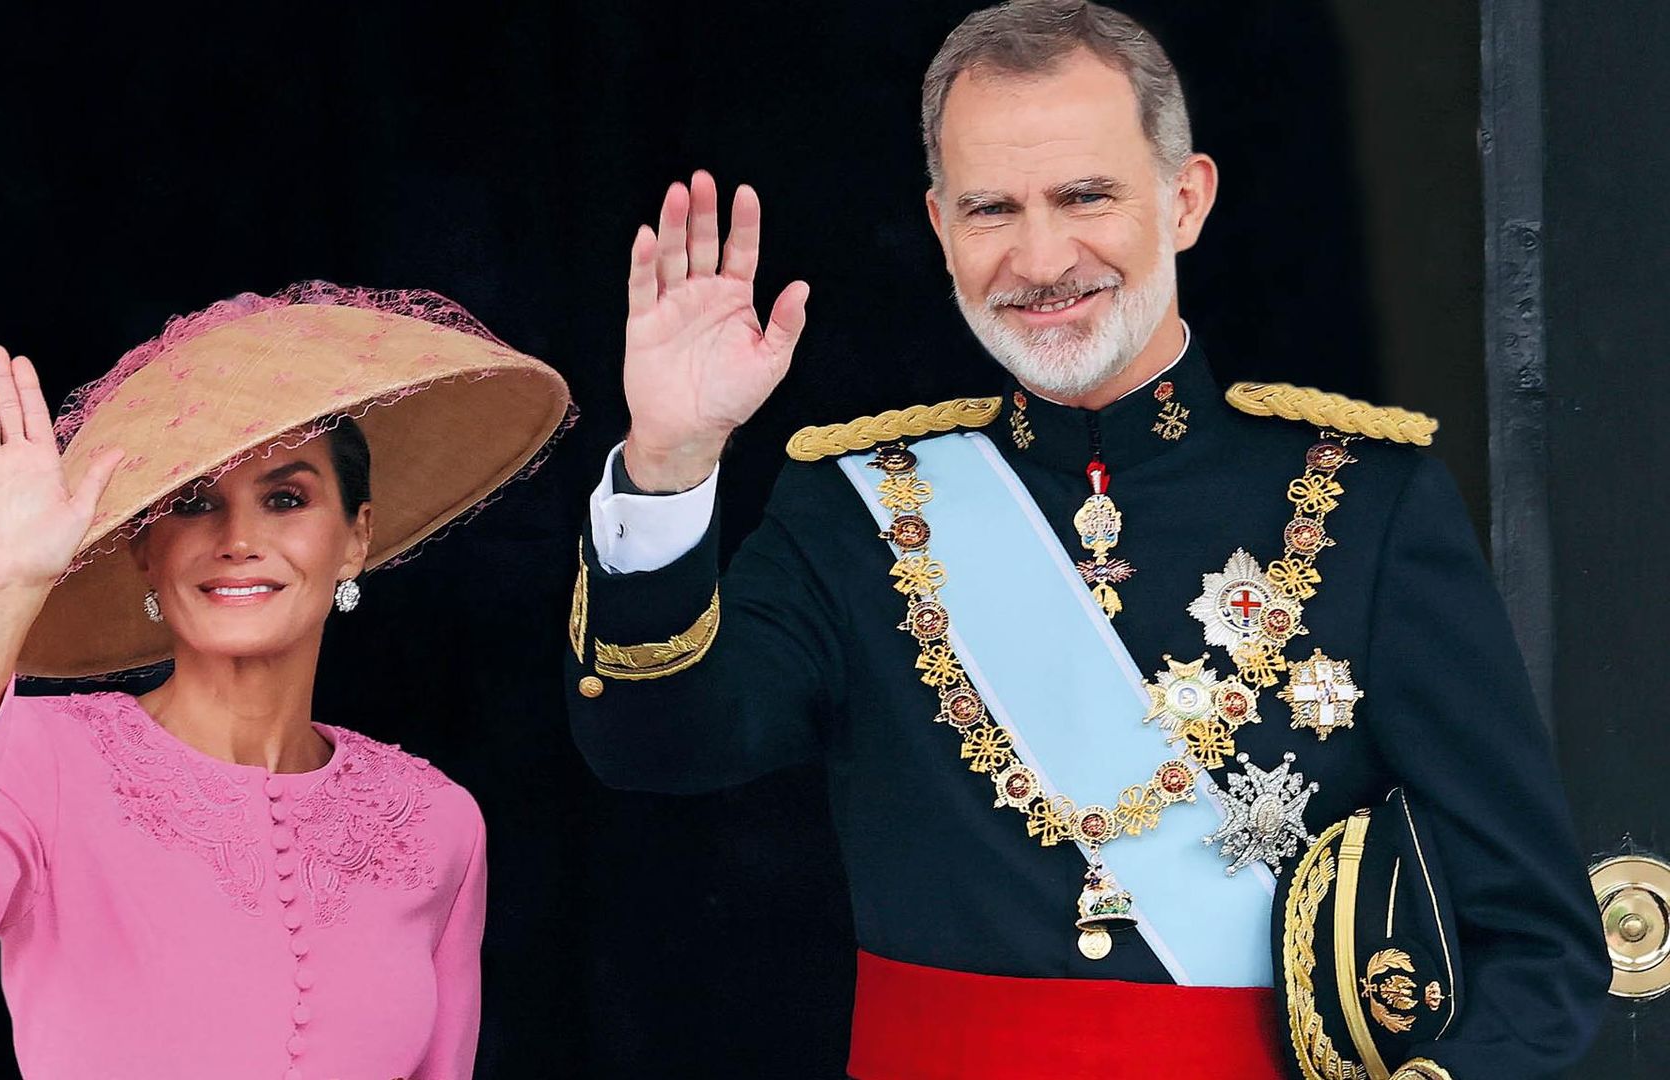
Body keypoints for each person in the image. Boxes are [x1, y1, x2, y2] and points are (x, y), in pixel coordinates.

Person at [563, 3, 1607, 1077]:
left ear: (1185, 199)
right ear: (938, 226)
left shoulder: (1369, 506)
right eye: (991, 208)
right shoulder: (855, 510)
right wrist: (669, 460)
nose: (1041, 255)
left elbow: (1539, 950)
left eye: (1084, 196)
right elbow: (656, 748)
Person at [0, 283, 571, 1080]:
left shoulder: (439, 823)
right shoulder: (44, 757)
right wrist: (2, 593)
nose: (238, 540)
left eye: (286, 499)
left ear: (356, 539)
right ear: (143, 551)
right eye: (195, 504)